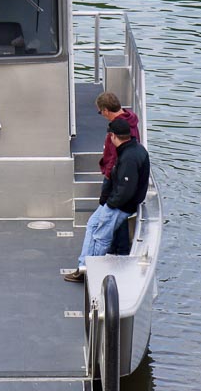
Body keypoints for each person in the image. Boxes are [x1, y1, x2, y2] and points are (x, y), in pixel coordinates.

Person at [64, 118, 150, 282]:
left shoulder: (129, 157)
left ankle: (91, 272)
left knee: (101, 237)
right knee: (92, 225)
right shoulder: (133, 150)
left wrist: (110, 204)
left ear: (113, 136)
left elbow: (126, 189)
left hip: (119, 206)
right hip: (113, 203)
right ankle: (83, 267)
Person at [95, 92, 139, 255]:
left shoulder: (117, 129)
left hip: (116, 177)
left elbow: (114, 155)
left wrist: (108, 175)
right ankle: (119, 248)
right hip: (123, 176)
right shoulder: (131, 120)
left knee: (112, 211)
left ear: (106, 110)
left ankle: (118, 250)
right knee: (118, 212)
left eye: (101, 112)